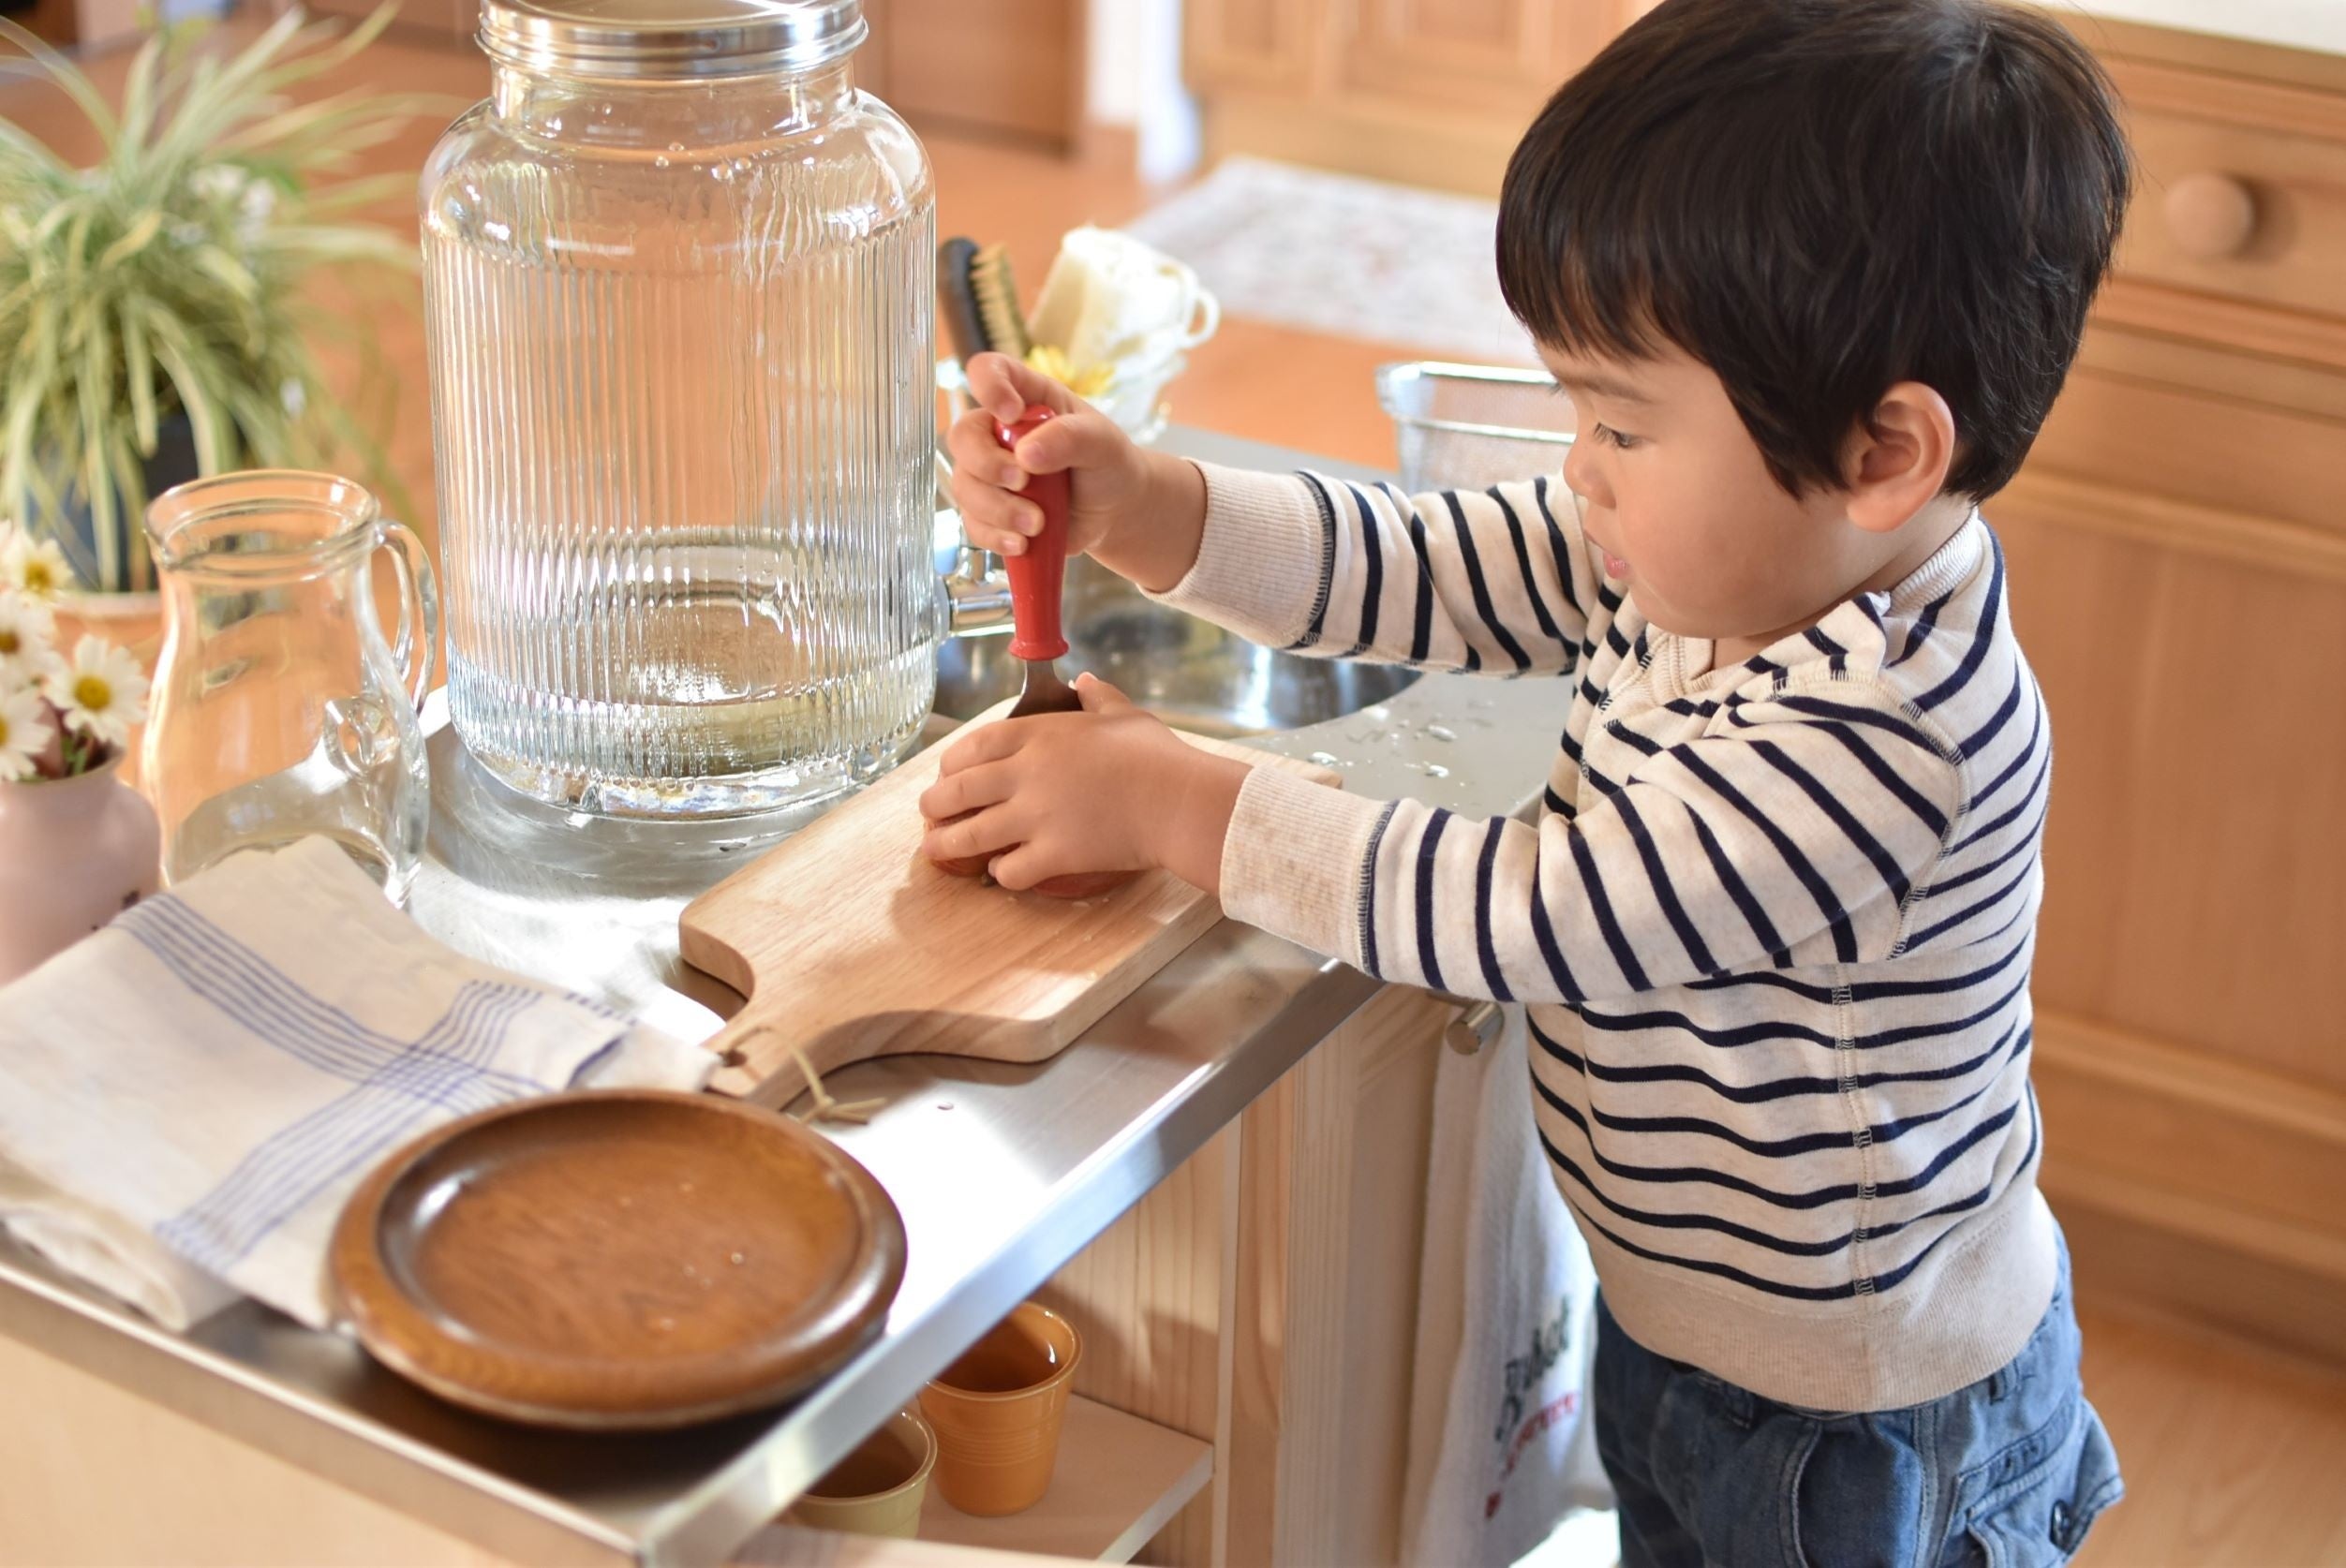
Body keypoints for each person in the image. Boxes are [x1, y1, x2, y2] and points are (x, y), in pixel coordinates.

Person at [929, 0, 2132, 1561]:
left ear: (1881, 452)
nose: (1578, 466)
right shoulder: (1734, 559)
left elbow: (1542, 912)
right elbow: (1422, 561)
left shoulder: (1886, 730)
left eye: (1622, 421)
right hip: (1696, 1331)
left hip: (1856, 1423)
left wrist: (1175, 803)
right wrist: (1147, 504)